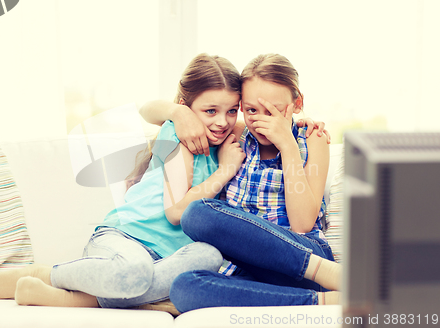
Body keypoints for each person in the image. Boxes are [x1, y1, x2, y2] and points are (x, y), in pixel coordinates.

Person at [0, 53, 247, 309]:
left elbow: (268, 120)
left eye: (232, 111)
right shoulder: (176, 134)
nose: (222, 122)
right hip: (124, 240)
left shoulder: (227, 137)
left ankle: (113, 295)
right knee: (134, 272)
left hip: (168, 259)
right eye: (210, 111)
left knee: (209, 256)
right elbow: (176, 212)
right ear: (187, 109)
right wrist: (223, 168)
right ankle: (49, 277)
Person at [142, 53, 341, 313]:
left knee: (197, 212)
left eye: (274, 111)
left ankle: (333, 281)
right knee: (185, 283)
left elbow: (302, 224)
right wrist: (179, 112)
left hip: (309, 262)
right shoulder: (236, 133)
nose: (262, 121)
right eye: (251, 110)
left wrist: (288, 145)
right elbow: (147, 110)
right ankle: (318, 302)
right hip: (249, 266)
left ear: (297, 103)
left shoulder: (310, 139)